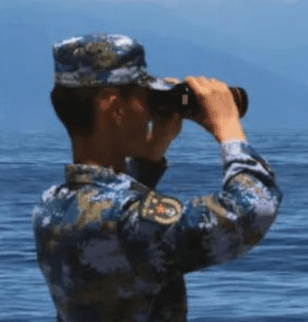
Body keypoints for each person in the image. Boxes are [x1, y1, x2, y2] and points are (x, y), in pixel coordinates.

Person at [32, 33, 282, 321]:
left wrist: (150, 156)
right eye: (146, 98)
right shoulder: (129, 222)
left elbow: (109, 208)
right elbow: (252, 212)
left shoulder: (50, 207)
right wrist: (228, 128)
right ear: (115, 108)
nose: (150, 113)